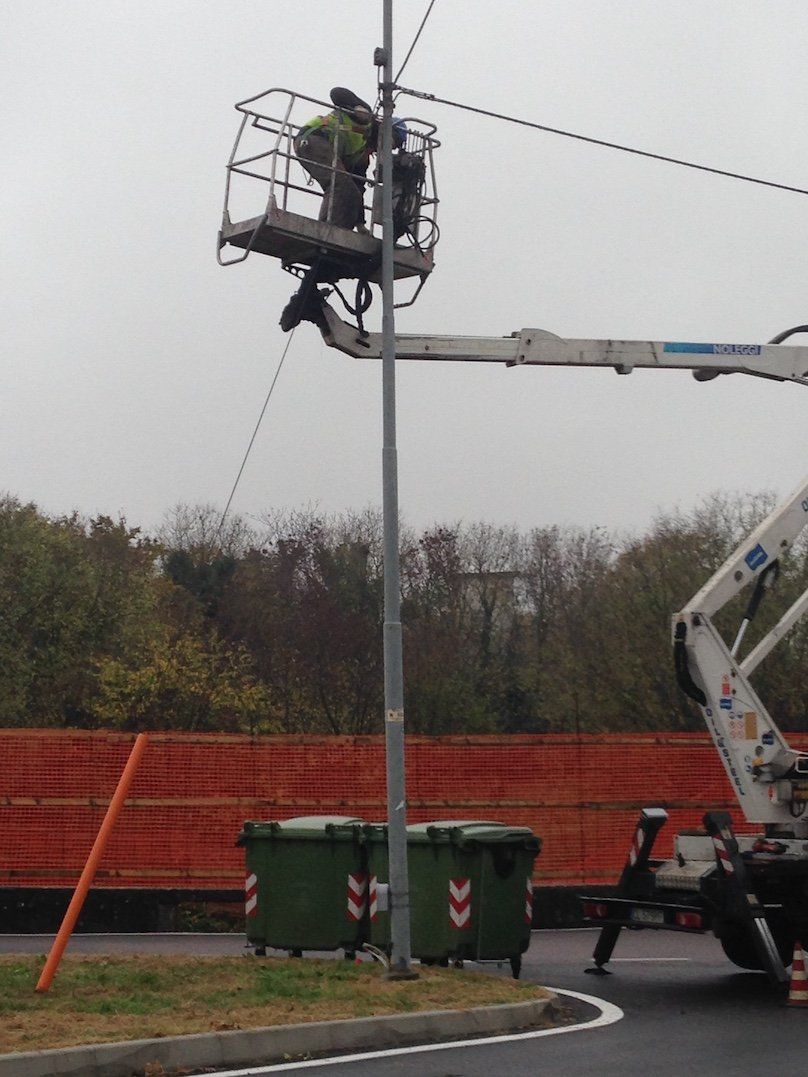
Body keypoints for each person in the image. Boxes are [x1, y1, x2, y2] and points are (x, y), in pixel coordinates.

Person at [294, 87, 378, 232]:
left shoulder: (359, 154)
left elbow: (357, 186)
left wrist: (360, 224)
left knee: (346, 188)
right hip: (314, 138)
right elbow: (336, 92)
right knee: (340, 184)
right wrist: (357, 107)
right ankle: (329, 229)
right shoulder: (365, 120)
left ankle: (334, 229)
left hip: (321, 146)